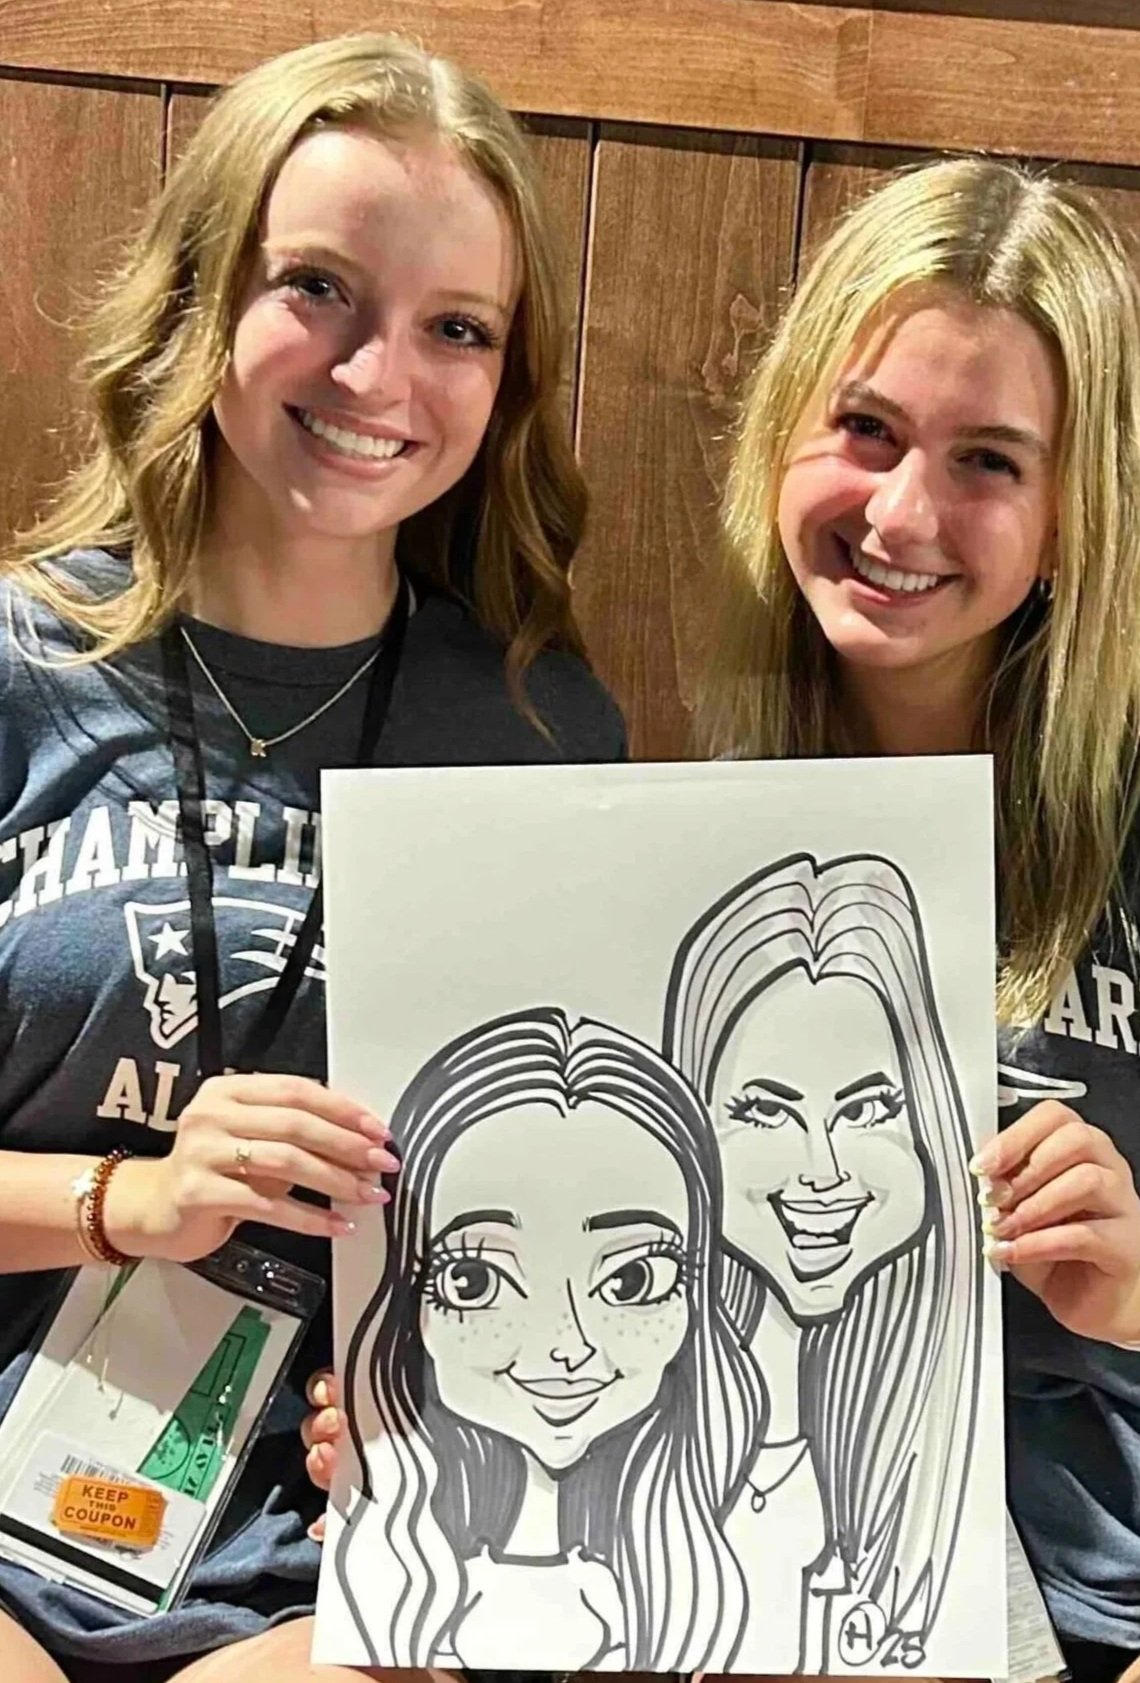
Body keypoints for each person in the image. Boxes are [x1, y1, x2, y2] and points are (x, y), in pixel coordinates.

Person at [0, 29, 624, 1683]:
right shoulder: (17, 664)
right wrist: (133, 1200)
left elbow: (581, 1205)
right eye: (319, 290)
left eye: (454, 327)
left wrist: (462, 1424)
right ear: (206, 293)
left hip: (330, 1572)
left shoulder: (546, 737)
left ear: (505, 381)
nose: (376, 376)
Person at [692, 156, 1140, 1682]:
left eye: (988, 461)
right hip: (791, 1552)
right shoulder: (691, 806)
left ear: (1071, 515)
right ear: (781, 440)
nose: (900, 511)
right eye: (864, 428)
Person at [328, 1008, 760, 1673]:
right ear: (405, 1298)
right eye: (474, 1278)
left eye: (633, 1277)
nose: (567, 1344)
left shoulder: (738, 1571)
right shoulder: (391, 1570)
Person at [662, 850, 980, 1674]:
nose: (821, 1169)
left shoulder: (941, 1454)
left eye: (868, 1107)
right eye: (764, 1110)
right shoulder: (615, 1404)